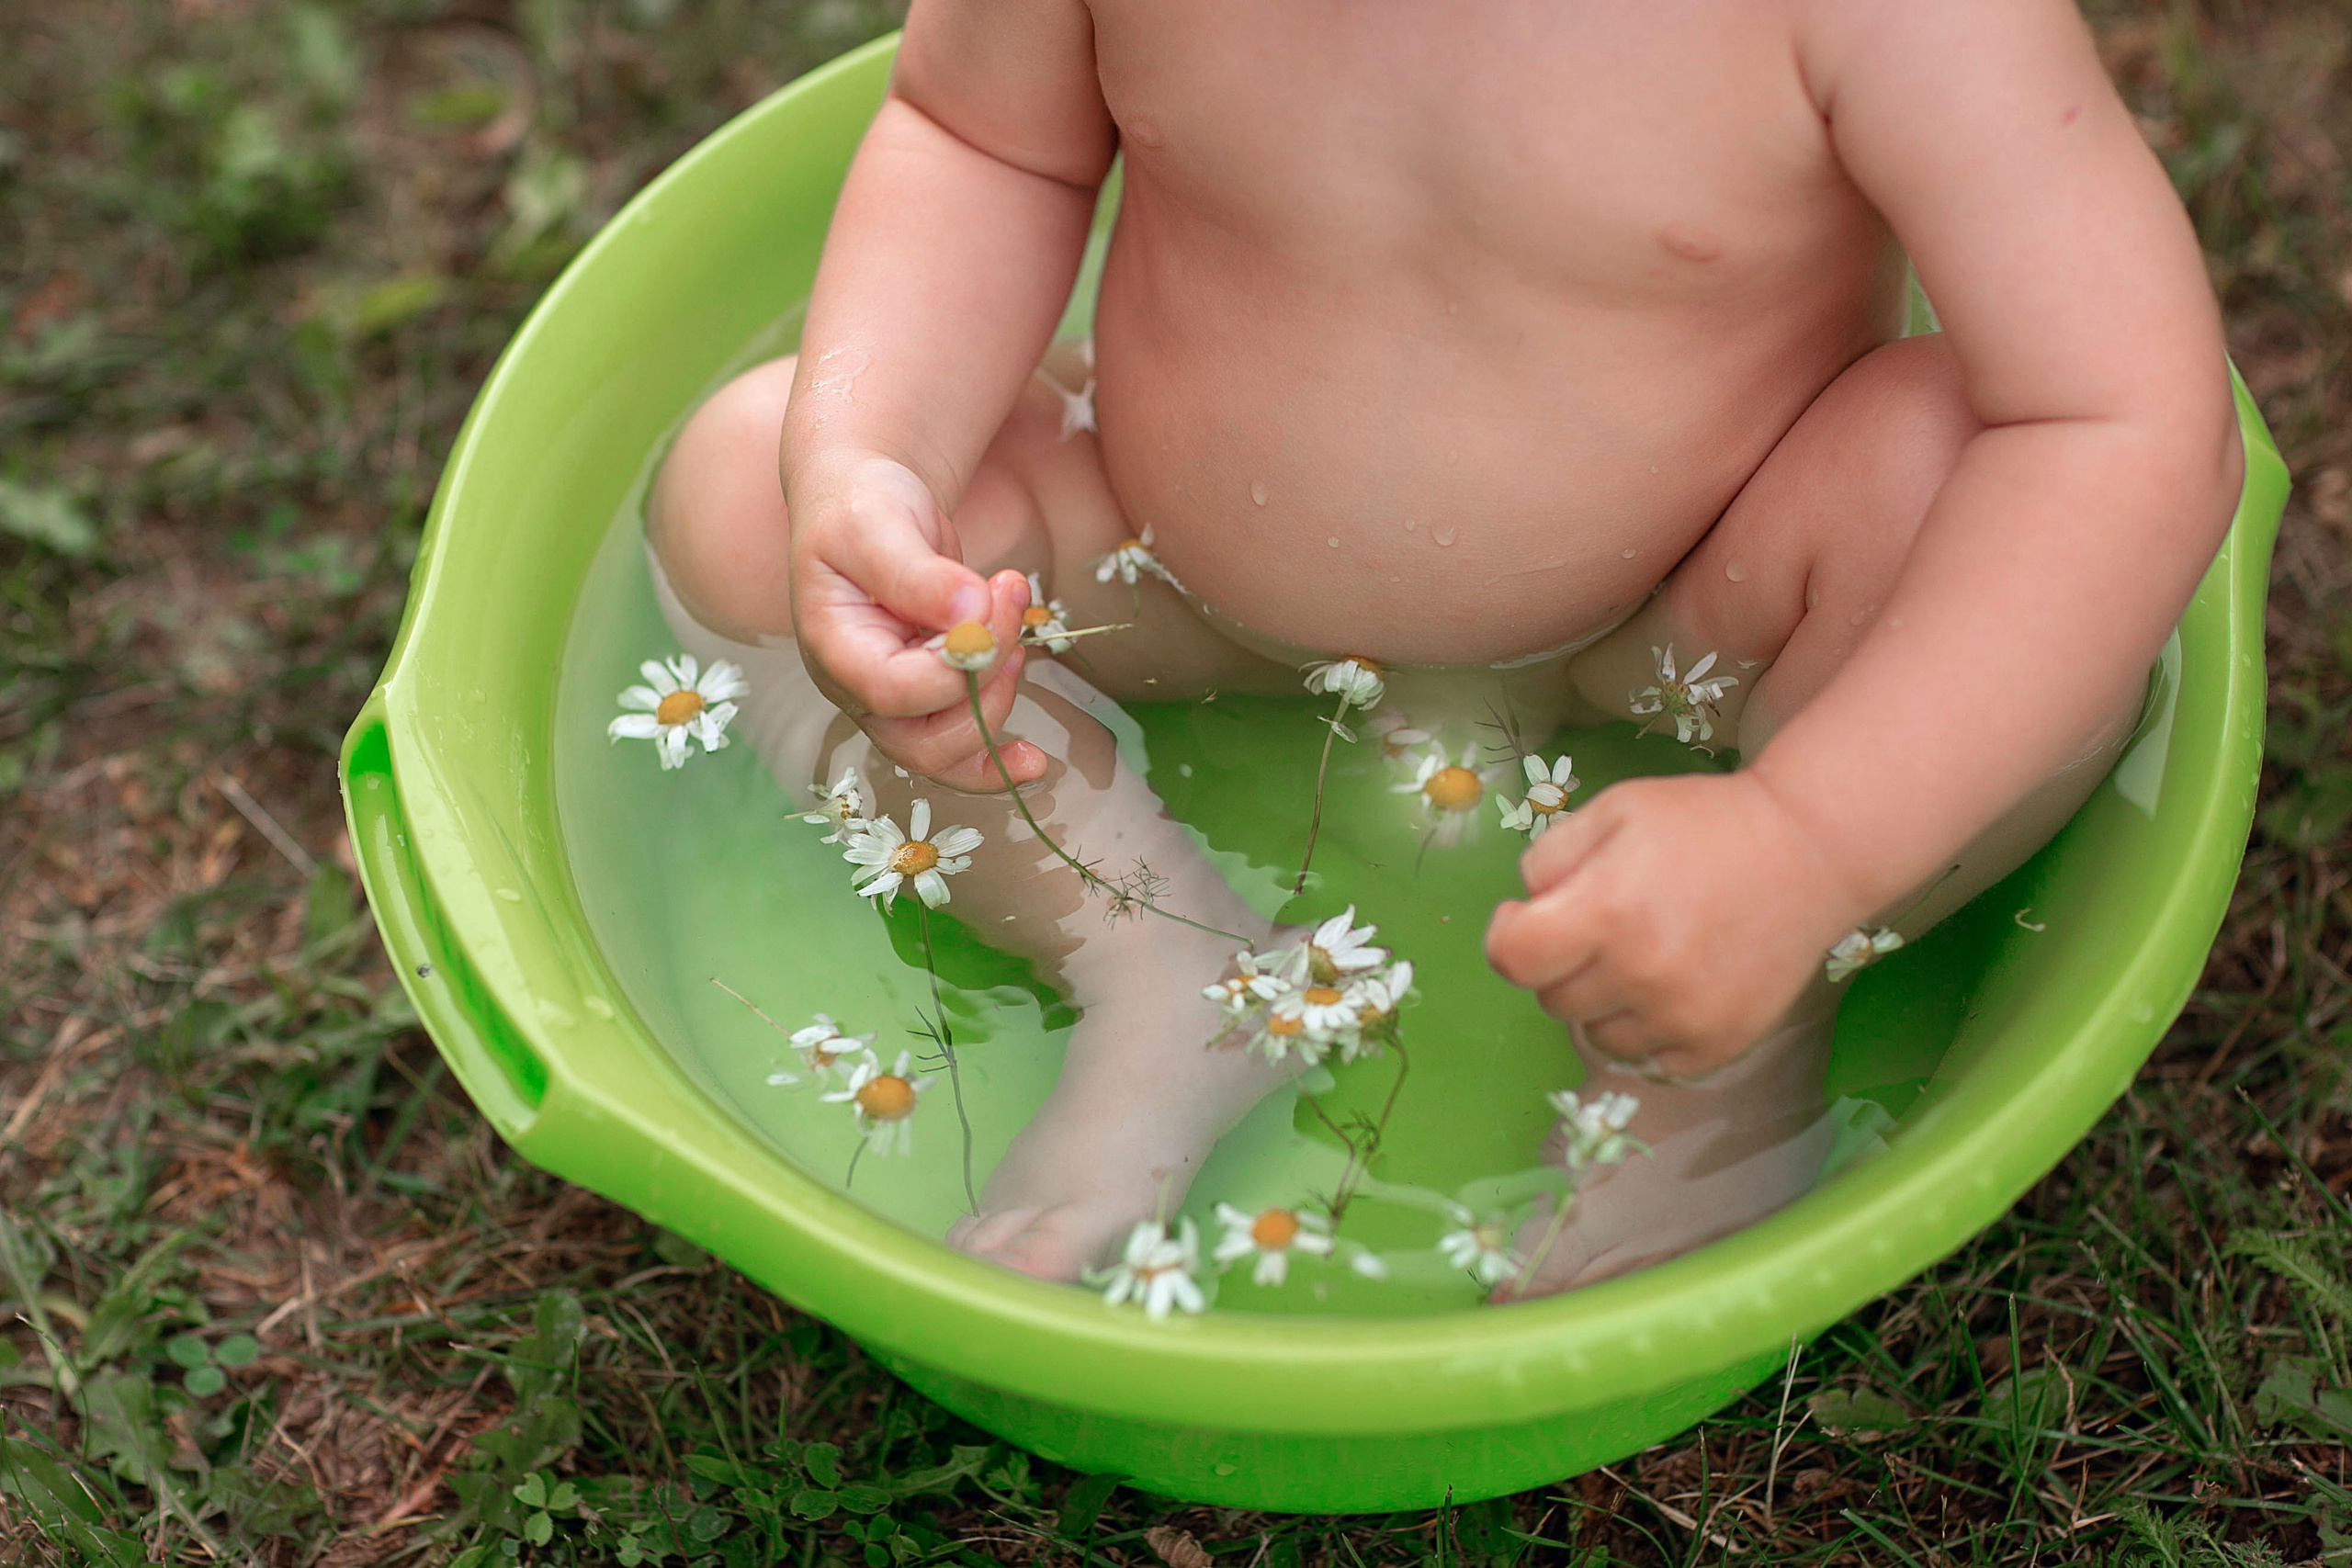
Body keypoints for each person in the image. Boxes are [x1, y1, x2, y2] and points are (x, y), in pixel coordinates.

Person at [642, 0, 2243, 1294]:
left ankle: (1725, 1033)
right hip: (1170, 558)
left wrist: (1811, 839)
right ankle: (1145, 946)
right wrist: (879, 470)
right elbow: (979, 137)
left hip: (1693, 610)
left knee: (1961, 496)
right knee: (745, 483)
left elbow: (2123, 422)